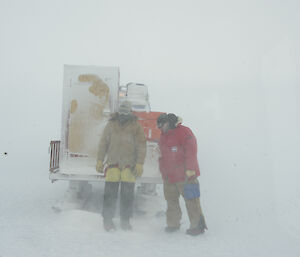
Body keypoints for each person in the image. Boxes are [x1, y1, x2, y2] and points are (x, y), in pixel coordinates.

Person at [96, 100, 146, 231]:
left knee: (127, 195)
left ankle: (125, 220)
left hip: (129, 166)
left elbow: (141, 145)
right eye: (122, 110)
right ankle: (107, 220)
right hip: (113, 164)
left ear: (130, 111)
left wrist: (140, 163)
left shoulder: (136, 126)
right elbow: (103, 144)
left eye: (126, 110)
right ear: (119, 111)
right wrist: (100, 160)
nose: (124, 113)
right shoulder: (111, 125)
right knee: (109, 194)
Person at [157, 113, 207, 236]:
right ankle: (173, 224)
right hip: (170, 176)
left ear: (167, 123)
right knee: (171, 201)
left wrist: (191, 169)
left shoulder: (184, 132)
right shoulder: (163, 136)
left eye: (161, 125)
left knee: (192, 200)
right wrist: (163, 171)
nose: (159, 128)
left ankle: (197, 226)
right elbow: (162, 155)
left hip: (186, 175)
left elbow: (191, 150)